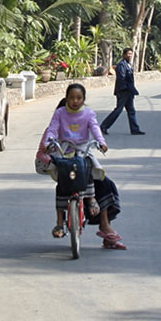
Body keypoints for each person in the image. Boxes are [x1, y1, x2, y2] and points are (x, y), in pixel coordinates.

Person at [36, 83, 127, 250]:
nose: (75, 102)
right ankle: (60, 221)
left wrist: (101, 142)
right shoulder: (57, 119)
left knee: (101, 179)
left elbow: (95, 128)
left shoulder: (88, 114)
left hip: (82, 155)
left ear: (84, 100)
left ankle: (101, 219)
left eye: (79, 98)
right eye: (71, 98)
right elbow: (48, 138)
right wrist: (49, 148)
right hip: (65, 157)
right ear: (65, 100)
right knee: (64, 183)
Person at [100, 47, 145, 135]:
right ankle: (103, 127)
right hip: (123, 92)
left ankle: (135, 129)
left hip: (129, 91)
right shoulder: (121, 65)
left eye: (131, 54)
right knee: (118, 110)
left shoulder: (128, 64)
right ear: (124, 55)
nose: (130, 56)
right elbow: (121, 78)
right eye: (128, 54)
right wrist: (125, 89)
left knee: (131, 111)